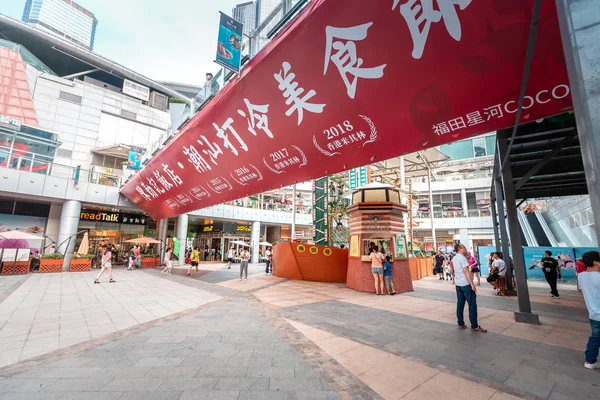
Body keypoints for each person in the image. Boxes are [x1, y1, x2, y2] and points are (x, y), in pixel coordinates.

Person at [453, 243, 487, 332]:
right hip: (466, 284)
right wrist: (472, 284)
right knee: (472, 305)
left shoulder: (454, 258)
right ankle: (474, 326)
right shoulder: (462, 258)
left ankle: (460, 323)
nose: (465, 249)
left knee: (460, 304)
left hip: (458, 285)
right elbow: (466, 272)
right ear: (460, 249)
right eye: (464, 247)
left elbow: (456, 270)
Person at [580, 251, 600, 370]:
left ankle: (589, 361)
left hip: (593, 313)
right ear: (596, 262)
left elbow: (582, 291)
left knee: (595, 337)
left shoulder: (581, 276)